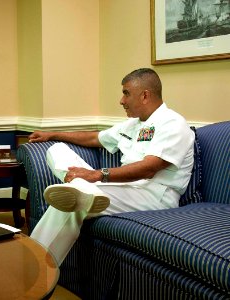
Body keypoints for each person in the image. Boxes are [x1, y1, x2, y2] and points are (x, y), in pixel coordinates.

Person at [28, 68, 195, 265]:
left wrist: (98, 175)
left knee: (72, 202)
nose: (121, 101)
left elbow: (149, 168)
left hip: (154, 194)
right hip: (125, 188)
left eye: (126, 93)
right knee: (56, 150)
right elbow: (94, 138)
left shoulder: (172, 123)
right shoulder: (133, 124)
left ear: (145, 95)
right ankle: (83, 189)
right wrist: (52, 135)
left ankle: (34, 269)